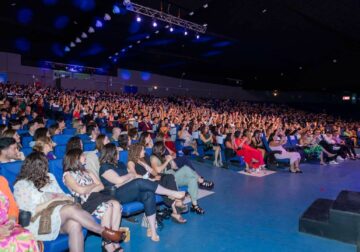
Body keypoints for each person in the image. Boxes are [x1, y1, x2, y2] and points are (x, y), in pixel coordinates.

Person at [14, 152, 124, 252]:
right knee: (70, 209)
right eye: (43, 167)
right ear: (32, 168)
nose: (46, 170)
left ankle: (106, 235)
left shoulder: (49, 177)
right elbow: (29, 211)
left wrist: (66, 198)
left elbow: (62, 194)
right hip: (40, 220)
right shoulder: (22, 184)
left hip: (58, 216)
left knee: (75, 224)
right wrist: (54, 200)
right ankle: (104, 232)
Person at [99, 143, 185, 242]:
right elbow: (119, 180)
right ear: (111, 153)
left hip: (127, 190)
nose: (119, 153)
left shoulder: (120, 164)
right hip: (116, 195)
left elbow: (129, 177)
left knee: (148, 193)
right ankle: (172, 193)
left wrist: (129, 176)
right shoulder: (104, 167)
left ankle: (153, 231)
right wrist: (130, 176)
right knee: (139, 182)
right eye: (117, 152)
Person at [63, 149, 124, 252]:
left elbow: (101, 186)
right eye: (83, 156)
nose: (85, 157)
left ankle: (115, 240)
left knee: (117, 204)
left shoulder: (88, 171)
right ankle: (107, 243)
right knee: (107, 208)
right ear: (75, 158)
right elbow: (80, 191)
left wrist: (88, 189)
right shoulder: (68, 175)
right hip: (84, 202)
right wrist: (91, 186)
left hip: (96, 196)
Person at [127, 144, 187, 224]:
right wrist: (151, 179)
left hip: (152, 179)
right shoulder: (131, 162)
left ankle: (176, 202)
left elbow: (155, 173)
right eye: (142, 150)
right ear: (137, 152)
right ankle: (176, 208)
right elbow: (135, 176)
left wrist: (145, 166)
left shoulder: (143, 159)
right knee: (161, 185)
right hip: (144, 183)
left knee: (169, 177)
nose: (144, 151)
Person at [151, 141, 206, 215]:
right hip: (167, 179)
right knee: (186, 168)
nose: (165, 150)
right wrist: (167, 161)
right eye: (164, 149)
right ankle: (200, 181)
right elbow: (157, 170)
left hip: (174, 175)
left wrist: (171, 160)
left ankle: (194, 205)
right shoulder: (153, 157)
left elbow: (175, 167)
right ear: (161, 149)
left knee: (192, 180)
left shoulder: (164, 156)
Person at [0, 176, 40, 252]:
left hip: (6, 226)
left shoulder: (1, 181)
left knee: (26, 236)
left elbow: (13, 207)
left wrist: (11, 223)